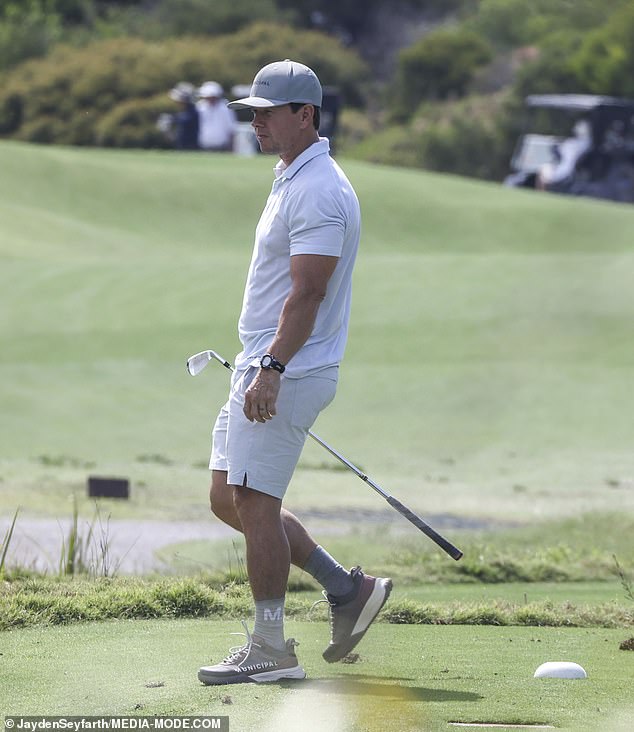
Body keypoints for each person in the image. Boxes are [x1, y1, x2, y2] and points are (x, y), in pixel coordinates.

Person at [197, 59, 392, 686]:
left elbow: (308, 294)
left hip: (287, 367)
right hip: (265, 362)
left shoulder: (318, 190)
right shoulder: (293, 174)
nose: (255, 122)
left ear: (304, 114)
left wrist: (273, 367)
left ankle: (271, 647)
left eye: (267, 112)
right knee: (228, 497)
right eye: (252, 111)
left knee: (255, 502)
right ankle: (345, 589)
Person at [196, 81, 237, 152]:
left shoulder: (225, 108)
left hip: (222, 146)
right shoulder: (200, 107)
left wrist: (231, 146)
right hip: (203, 146)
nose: (210, 99)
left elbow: (231, 128)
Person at [167, 82, 199, 151]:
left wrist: (172, 119)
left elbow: (185, 119)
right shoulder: (183, 111)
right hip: (182, 145)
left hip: (191, 146)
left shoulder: (193, 111)